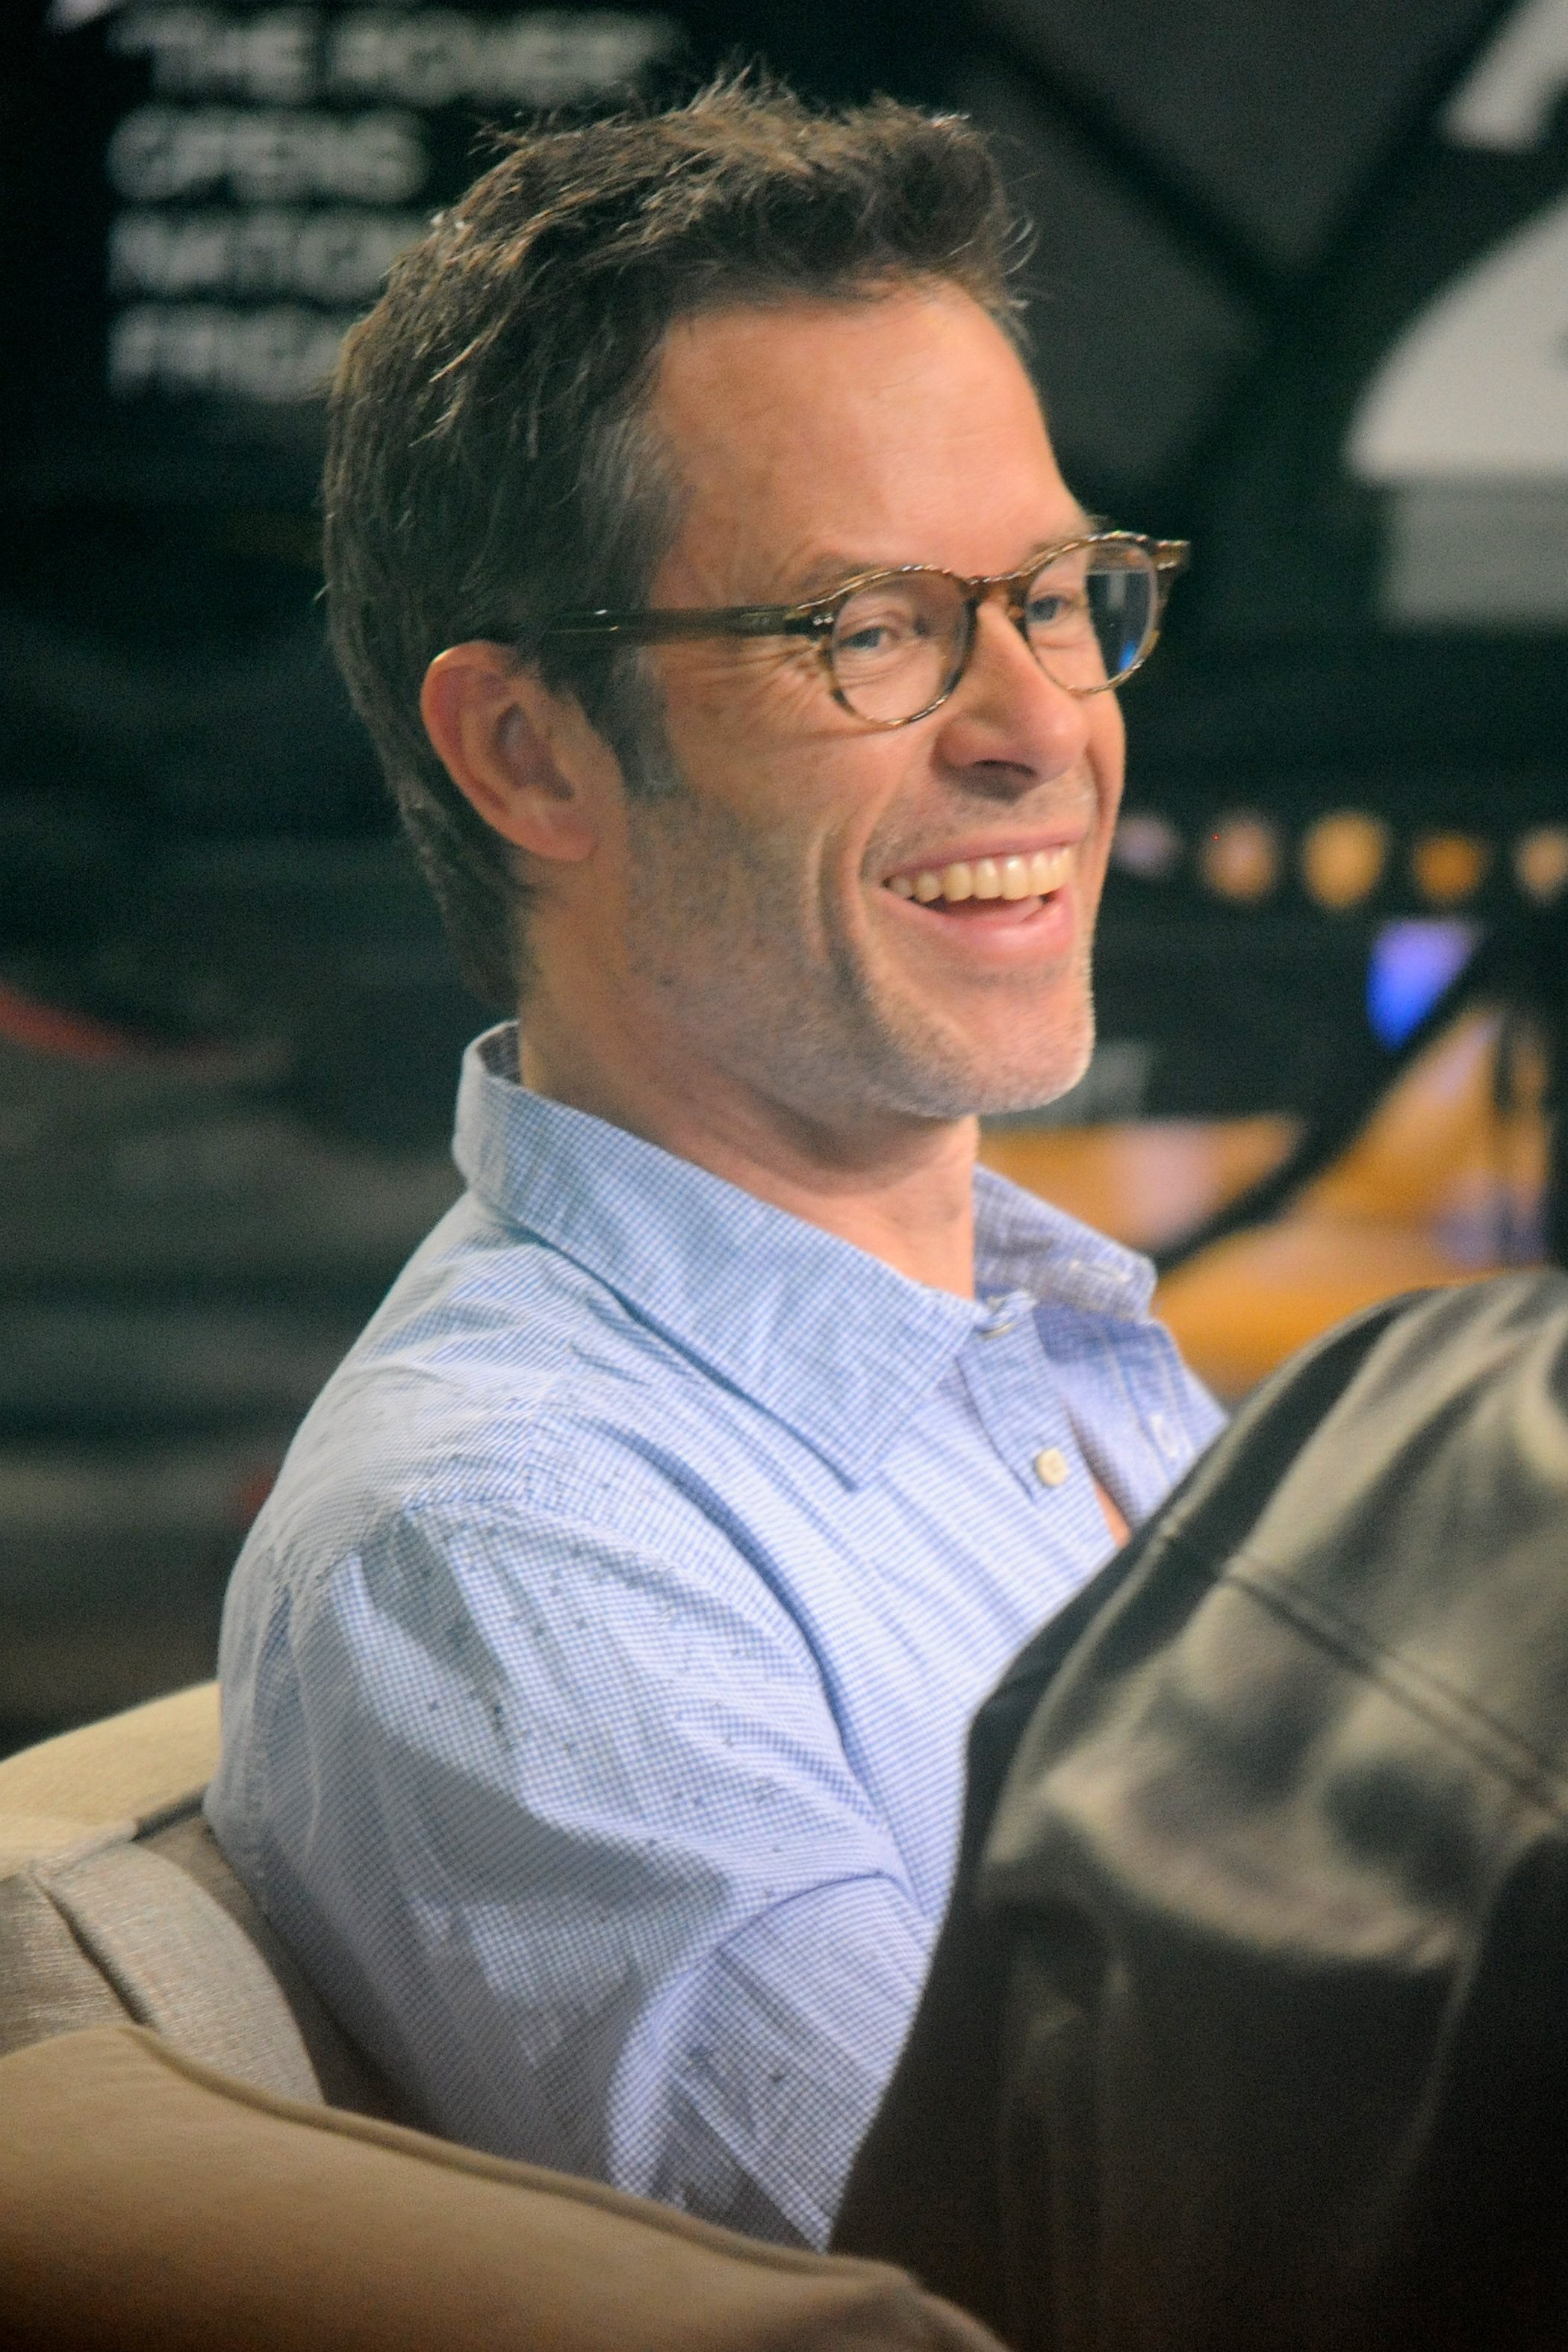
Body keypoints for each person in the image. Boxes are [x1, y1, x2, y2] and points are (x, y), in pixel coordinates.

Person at [206, 74, 1222, 2250]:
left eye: (1057, 595)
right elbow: (1031, 2290)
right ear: (528, 752)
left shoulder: (1049, 1349)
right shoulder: (508, 1548)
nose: (1038, 723)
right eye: (873, 629)